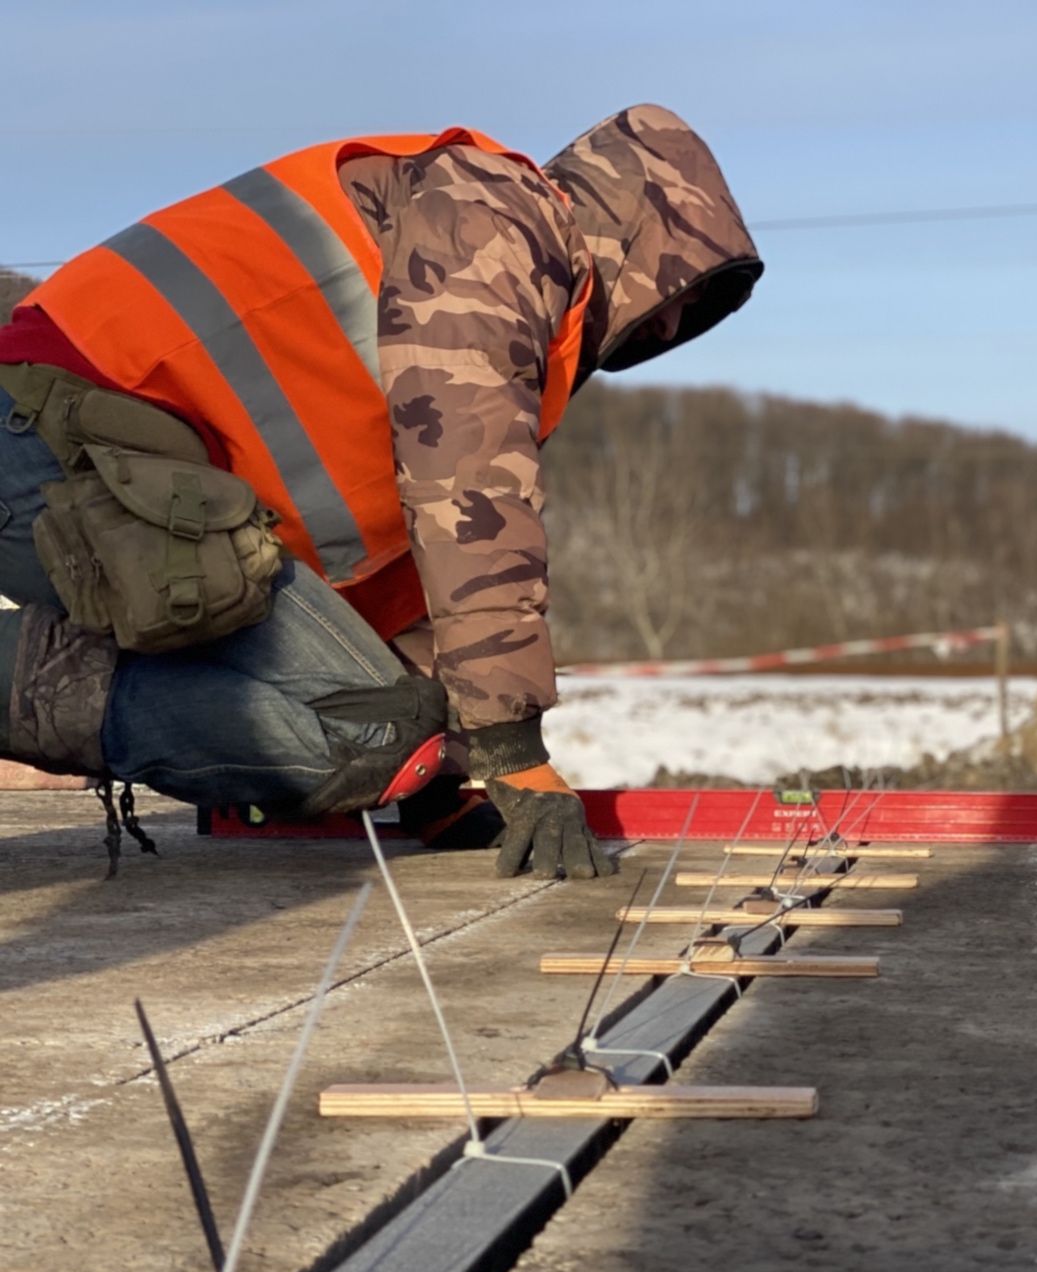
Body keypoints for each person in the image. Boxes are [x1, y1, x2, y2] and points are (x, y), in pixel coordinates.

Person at [0, 105, 761, 877]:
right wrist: (512, 752)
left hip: (137, 471)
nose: (668, 330)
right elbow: (466, 496)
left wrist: (441, 774)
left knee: (388, 733)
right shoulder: (499, 222)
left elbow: (407, 570)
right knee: (363, 735)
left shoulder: (526, 300)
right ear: (637, 237)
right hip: (52, 436)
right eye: (680, 297)